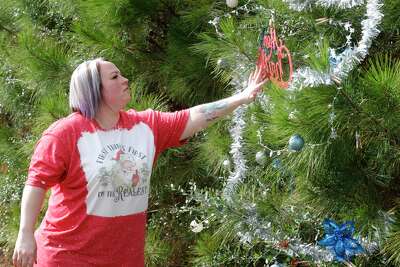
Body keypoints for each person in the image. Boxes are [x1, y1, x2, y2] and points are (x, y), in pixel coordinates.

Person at [12, 58, 266, 267]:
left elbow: (195, 116)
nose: (125, 80)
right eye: (114, 77)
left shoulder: (146, 126)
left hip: (124, 260)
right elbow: (36, 183)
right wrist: (25, 234)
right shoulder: (65, 134)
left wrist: (242, 97)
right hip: (66, 257)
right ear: (93, 89)